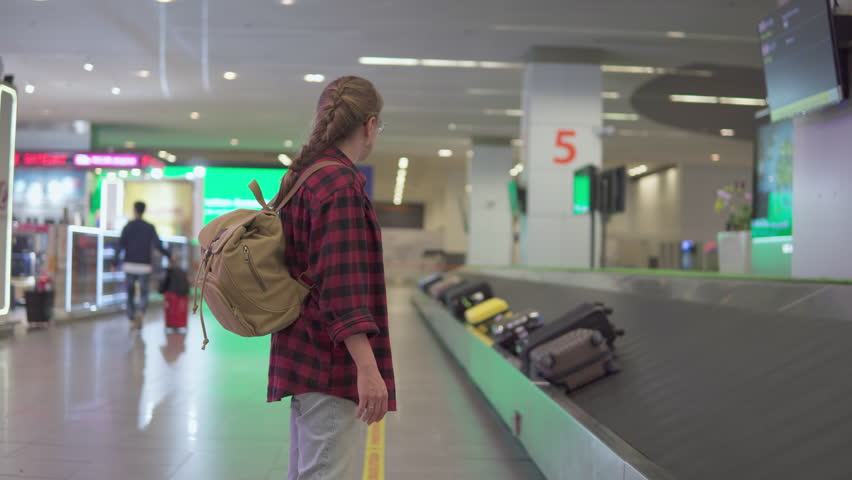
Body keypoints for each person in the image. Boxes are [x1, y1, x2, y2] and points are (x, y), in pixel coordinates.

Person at [268, 76, 396, 480]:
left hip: (303, 352)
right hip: (330, 363)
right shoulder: (339, 184)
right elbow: (340, 286)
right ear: (370, 125)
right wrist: (368, 369)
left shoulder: (305, 176)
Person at [116, 201, 171, 329]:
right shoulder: (149, 227)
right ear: (144, 211)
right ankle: (141, 311)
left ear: (134, 211)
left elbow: (120, 244)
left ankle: (131, 318)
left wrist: (114, 262)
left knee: (130, 292)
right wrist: (169, 255)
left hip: (129, 264)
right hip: (144, 266)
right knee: (144, 292)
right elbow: (158, 245)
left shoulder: (128, 226)